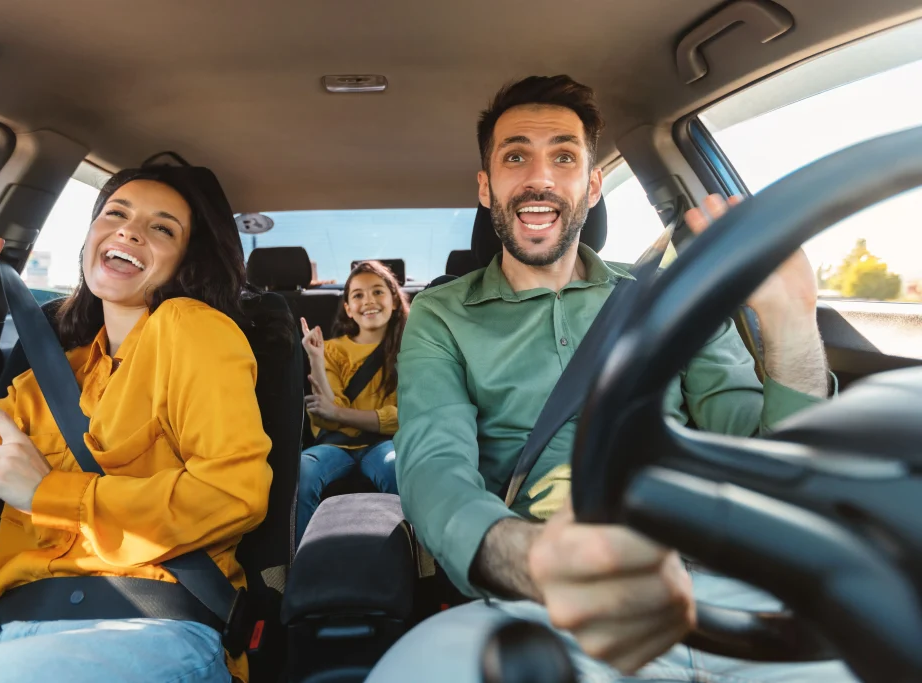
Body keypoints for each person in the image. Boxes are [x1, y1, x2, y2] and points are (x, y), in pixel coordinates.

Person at [367, 76, 856, 682]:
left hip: (724, 588)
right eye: (515, 155)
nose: (539, 178)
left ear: (593, 186)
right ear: (486, 185)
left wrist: (790, 326)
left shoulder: (669, 295)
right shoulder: (441, 315)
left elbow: (767, 461)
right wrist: (540, 561)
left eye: (565, 156)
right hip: (545, 600)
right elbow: (434, 471)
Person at [0, 164, 292, 683]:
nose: (129, 230)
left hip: (147, 626)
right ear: (90, 238)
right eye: (116, 214)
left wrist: (48, 493)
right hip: (2, 628)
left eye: (162, 227)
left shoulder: (192, 329)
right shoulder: (46, 380)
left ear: (184, 262)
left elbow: (233, 493)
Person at [296, 260, 408, 544]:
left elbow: (406, 416)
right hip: (335, 447)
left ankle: (412, 563)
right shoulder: (333, 350)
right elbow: (325, 416)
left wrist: (339, 413)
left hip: (386, 445)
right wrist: (317, 361)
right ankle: (299, 564)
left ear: (394, 300)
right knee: (303, 470)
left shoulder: (412, 347)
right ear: (347, 308)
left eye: (377, 292)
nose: (368, 301)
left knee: (398, 467)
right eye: (357, 295)